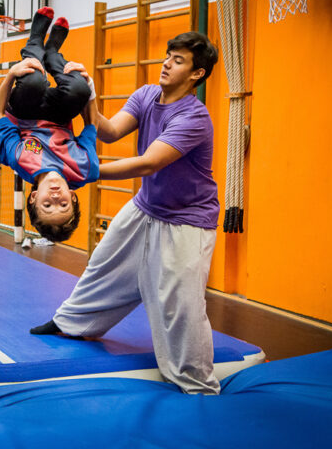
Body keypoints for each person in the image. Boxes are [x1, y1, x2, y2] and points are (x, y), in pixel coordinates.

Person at [30, 31, 222, 396]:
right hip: (146, 207)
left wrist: (86, 171)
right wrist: (88, 94)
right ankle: (70, 322)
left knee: (179, 304)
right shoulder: (147, 95)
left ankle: (196, 382)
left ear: (197, 74)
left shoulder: (194, 117)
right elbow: (108, 130)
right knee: (104, 263)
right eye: (168, 55)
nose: (167, 63)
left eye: (178, 61)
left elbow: (150, 163)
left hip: (186, 220)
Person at [0, 7, 98, 242]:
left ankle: (35, 39)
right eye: (63, 204)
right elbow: (91, 124)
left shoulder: (21, 160)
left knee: (33, 81)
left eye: (47, 204)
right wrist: (89, 84)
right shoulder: (85, 168)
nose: (55, 197)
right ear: (73, 197)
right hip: (59, 116)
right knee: (78, 89)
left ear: (34, 197)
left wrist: (10, 75)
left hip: (24, 113)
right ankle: (52, 54)